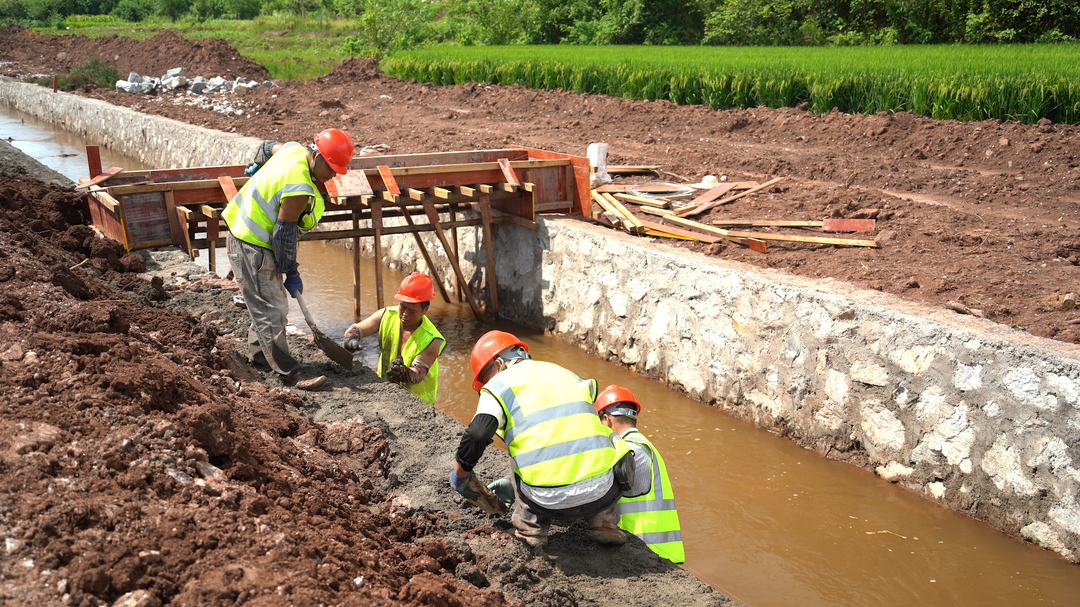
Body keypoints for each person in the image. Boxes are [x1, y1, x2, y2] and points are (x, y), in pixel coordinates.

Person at [450, 330, 637, 548]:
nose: (485, 385)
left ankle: (531, 529)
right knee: (604, 434)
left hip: (544, 501)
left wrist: (460, 476)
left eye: (485, 378)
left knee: (518, 443)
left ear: (498, 364)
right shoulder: (563, 372)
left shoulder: (498, 385)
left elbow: (478, 434)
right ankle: (604, 522)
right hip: (603, 493)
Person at [222, 128, 354, 390]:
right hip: (253, 244)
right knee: (273, 308)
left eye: (337, 170)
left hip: (244, 232)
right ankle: (289, 374)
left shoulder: (292, 148)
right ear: (316, 155)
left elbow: (266, 146)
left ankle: (260, 359)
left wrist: (258, 165)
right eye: (330, 167)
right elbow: (283, 235)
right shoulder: (299, 189)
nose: (332, 175)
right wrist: (291, 271)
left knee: (267, 303)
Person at [596, 385, 685, 563]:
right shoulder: (645, 445)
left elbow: (600, 491)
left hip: (649, 555)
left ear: (606, 420)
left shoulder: (631, 451)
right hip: (663, 554)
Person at [341, 272, 446, 405]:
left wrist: (402, 372)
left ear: (425, 310)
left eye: (412, 311)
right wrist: (351, 340)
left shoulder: (431, 339)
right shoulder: (386, 315)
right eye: (402, 307)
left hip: (416, 401)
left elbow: (417, 374)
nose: (405, 314)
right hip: (385, 389)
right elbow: (357, 329)